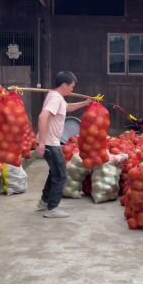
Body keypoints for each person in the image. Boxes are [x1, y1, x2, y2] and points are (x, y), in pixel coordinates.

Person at [35, 71, 91, 218]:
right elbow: (43, 117)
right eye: (72, 86)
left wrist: (85, 103)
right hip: (50, 143)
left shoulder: (56, 97)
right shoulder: (55, 98)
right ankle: (52, 208)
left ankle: (45, 202)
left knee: (54, 172)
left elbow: (67, 108)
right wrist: (42, 143)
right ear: (64, 85)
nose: (72, 89)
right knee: (61, 175)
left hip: (50, 142)